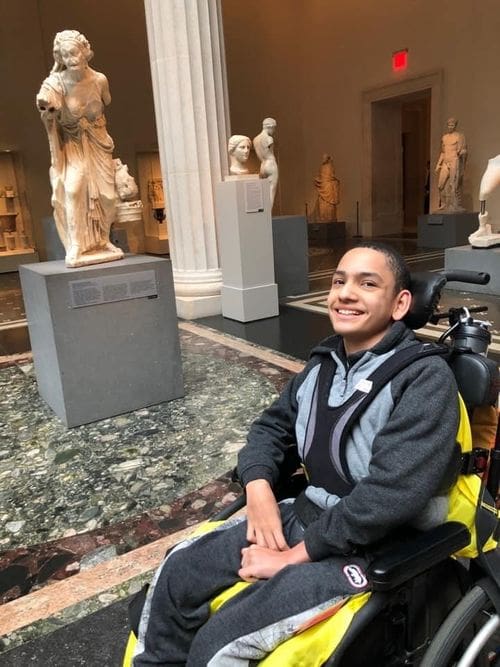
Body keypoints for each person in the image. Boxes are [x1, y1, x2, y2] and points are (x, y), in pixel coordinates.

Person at [133, 242, 460, 665]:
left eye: (367, 283)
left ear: (400, 304)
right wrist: (259, 491)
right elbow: (270, 428)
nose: (345, 293)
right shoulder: (323, 364)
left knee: (221, 642)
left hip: (371, 548)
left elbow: (389, 495)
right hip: (305, 515)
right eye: (339, 280)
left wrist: (290, 558)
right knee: (177, 573)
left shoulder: (424, 379)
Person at [36, 30, 123, 268]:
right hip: (73, 146)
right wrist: (46, 107)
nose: (70, 59)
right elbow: (45, 102)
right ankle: (76, 244)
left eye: (73, 53)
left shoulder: (99, 80)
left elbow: (106, 100)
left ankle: (103, 241)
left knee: (108, 197)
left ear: (85, 52)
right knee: (73, 190)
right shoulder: (55, 83)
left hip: (99, 144)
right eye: (64, 55)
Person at [435, 117, 467, 212]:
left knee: (453, 185)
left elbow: (464, 149)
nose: (450, 126)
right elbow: (443, 152)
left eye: (452, 125)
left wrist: (462, 153)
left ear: (455, 126)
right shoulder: (444, 137)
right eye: (449, 125)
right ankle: (444, 204)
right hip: (445, 162)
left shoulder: (459, 136)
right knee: (440, 185)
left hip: (454, 161)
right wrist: (438, 164)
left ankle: (454, 205)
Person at [253, 117, 279, 207]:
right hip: (270, 164)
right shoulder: (269, 139)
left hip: (262, 165)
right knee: (271, 191)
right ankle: (268, 216)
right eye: (274, 128)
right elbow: (270, 153)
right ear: (270, 127)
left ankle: (264, 215)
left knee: (263, 193)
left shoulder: (255, 139)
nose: (274, 131)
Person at [314, 154, 340, 221]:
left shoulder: (330, 166)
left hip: (328, 187)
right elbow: (321, 176)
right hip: (323, 186)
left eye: (324, 157)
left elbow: (331, 176)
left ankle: (330, 218)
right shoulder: (321, 167)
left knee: (329, 204)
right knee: (322, 204)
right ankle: (324, 218)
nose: (323, 159)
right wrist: (318, 180)